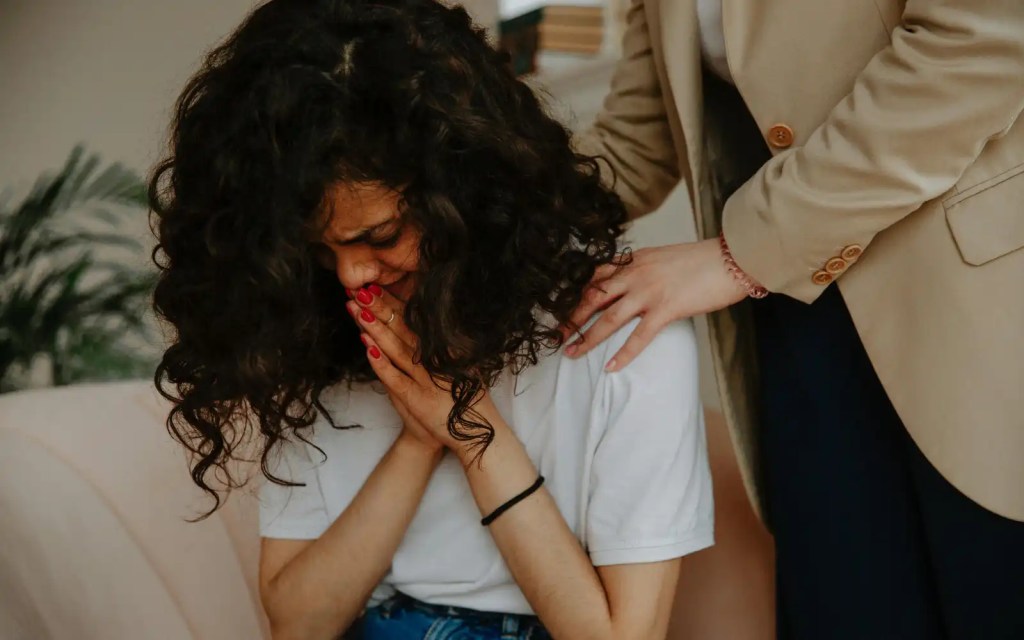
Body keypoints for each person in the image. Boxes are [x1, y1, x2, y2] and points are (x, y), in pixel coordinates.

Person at [148, 1, 713, 638]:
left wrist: (470, 428)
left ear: (465, 192)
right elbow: (298, 625)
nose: (351, 275)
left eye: (381, 236)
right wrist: (418, 440)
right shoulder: (321, 333)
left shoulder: (623, 330)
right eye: (320, 251)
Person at [565, 0, 1024, 638]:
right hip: (798, 323)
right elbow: (633, 143)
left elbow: (982, 42)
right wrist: (457, 200)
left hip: (970, 302)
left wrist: (739, 254)